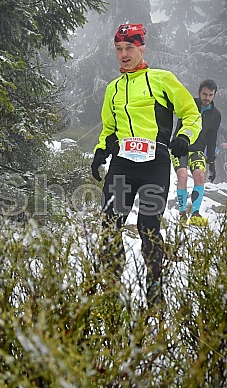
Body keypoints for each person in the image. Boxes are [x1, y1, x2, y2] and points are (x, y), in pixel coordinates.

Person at [90, 23, 201, 309]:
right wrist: (101, 150)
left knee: (148, 227)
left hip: (155, 162)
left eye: (129, 48)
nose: (124, 54)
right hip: (123, 164)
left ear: (141, 48)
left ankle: (154, 290)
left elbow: (191, 113)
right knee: (108, 223)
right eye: (119, 49)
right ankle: (111, 286)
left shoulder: (162, 79)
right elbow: (109, 128)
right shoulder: (113, 88)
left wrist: (185, 137)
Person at [171, 79, 222, 226]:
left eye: (210, 95)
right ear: (199, 92)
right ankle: (182, 213)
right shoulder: (189, 104)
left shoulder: (216, 115)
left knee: (200, 176)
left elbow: (213, 138)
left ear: (214, 96)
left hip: (198, 149)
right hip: (180, 147)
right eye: (204, 94)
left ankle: (195, 213)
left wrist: (211, 161)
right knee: (182, 176)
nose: (207, 98)